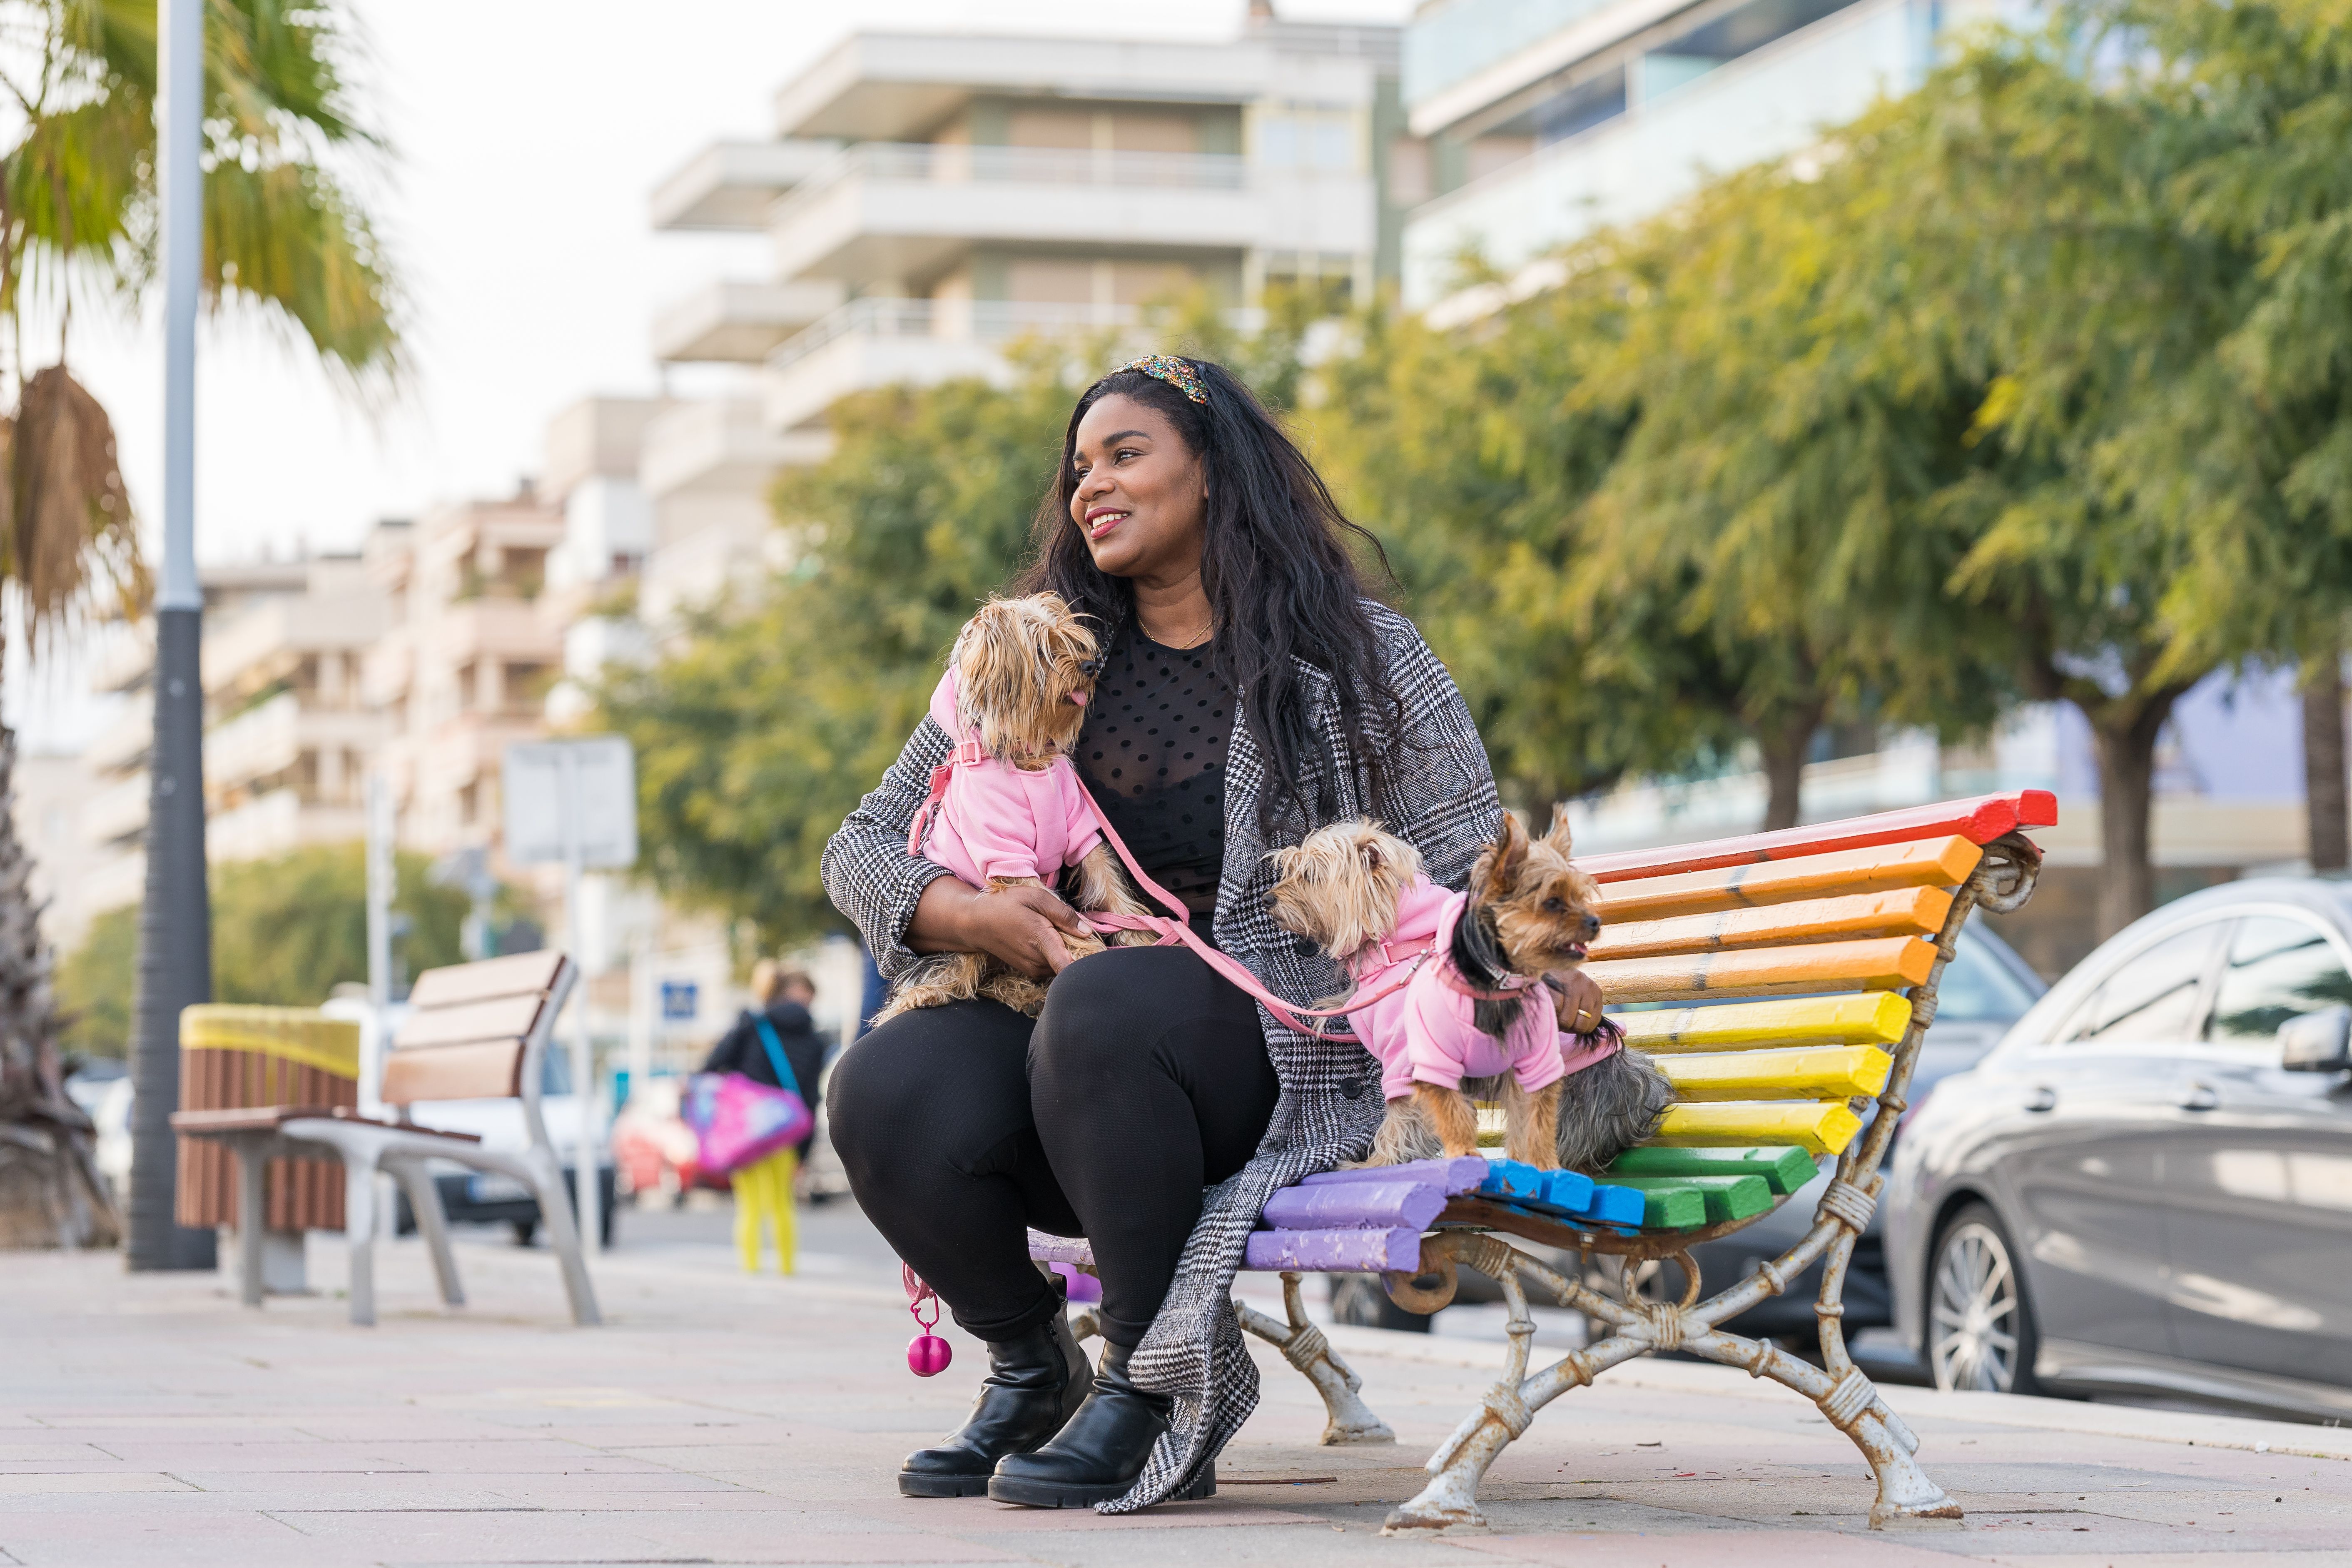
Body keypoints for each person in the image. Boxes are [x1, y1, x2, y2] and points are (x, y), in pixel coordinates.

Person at [822, 354, 1607, 1511]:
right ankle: (1036, 1362)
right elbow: (866, 842)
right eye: (1080, 466)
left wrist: (1553, 993)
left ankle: (1153, 1382)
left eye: (1126, 454)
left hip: (1292, 1050)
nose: (1093, 483)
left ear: (1214, 473)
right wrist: (973, 911)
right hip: (1076, 1054)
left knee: (1108, 1008)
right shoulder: (1034, 658)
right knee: (883, 1084)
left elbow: (1458, 884)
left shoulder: (1362, 658)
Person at [700, 961, 822, 1274]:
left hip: (747, 1128)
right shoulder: (814, 1038)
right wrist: (804, 1151)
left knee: (751, 1205)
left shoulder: (753, 1024)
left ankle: (752, 1271)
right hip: (785, 1132)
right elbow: (809, 1096)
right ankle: (786, 1270)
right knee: (783, 1203)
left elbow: (713, 1064)